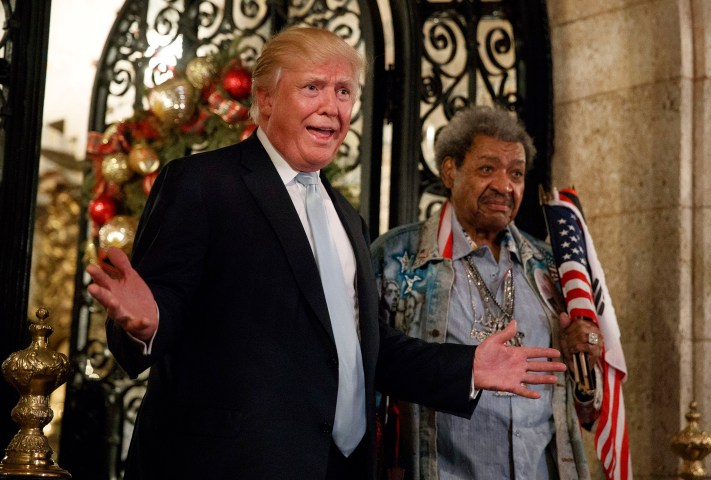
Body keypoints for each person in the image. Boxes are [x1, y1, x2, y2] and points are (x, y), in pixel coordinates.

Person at [85, 27, 566, 480]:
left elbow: (365, 350)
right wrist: (149, 324)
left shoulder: (346, 217)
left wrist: (467, 368)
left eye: (343, 92)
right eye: (312, 88)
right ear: (266, 99)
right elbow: (156, 309)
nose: (332, 107)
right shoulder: (203, 184)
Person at [370, 105, 602, 479]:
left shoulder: (550, 266)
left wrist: (587, 360)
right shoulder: (397, 258)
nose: (504, 186)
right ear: (450, 171)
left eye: (516, 174)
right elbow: (367, 374)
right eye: (487, 169)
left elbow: (588, 412)